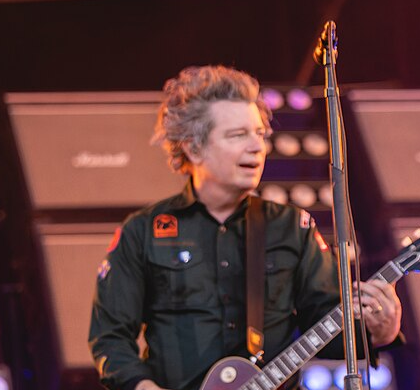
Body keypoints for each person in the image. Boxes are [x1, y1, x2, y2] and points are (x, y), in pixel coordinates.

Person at [89, 66, 402, 390]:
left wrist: (380, 332)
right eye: (238, 135)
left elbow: (333, 339)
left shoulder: (292, 227)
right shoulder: (143, 231)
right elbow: (109, 338)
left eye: (259, 134)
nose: (257, 146)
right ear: (193, 148)